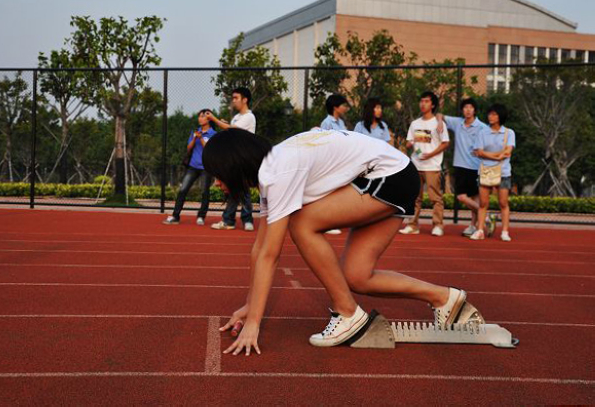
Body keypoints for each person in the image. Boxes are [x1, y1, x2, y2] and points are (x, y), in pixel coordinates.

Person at [203, 128, 471, 356]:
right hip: (396, 176)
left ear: (234, 166)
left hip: (390, 176)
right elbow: (260, 247)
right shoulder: (272, 169)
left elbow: (269, 254)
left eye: (218, 174)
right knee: (356, 276)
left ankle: (347, 313)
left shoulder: (278, 170)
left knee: (301, 223)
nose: (216, 183)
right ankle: (444, 298)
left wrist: (254, 322)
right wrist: (250, 305)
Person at [436, 99, 491, 237]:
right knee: (461, 197)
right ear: (462, 110)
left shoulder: (482, 127)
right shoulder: (457, 123)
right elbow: (439, 115)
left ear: (475, 110)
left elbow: (489, 145)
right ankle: (486, 216)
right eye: (465, 107)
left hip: (476, 167)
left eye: (471, 107)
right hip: (460, 166)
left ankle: (473, 225)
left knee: (474, 198)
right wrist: (440, 122)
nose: (468, 110)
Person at [399, 92, 450, 237]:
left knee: (435, 198)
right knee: (415, 197)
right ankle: (412, 225)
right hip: (416, 165)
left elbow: (445, 143)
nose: (423, 104)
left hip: (432, 166)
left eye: (426, 101)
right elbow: (410, 142)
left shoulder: (438, 124)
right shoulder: (415, 124)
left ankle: (438, 225)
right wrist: (409, 144)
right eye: (421, 101)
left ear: (432, 105)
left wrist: (431, 154)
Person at [205, 87, 256, 231]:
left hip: (245, 158)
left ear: (245, 100)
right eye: (233, 98)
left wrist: (214, 119)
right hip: (235, 158)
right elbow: (232, 131)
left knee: (243, 189)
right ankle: (231, 220)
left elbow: (232, 129)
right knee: (235, 189)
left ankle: (244, 219)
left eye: (236, 98)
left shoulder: (249, 117)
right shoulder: (237, 117)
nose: (233, 101)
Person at [471, 104, 516, 242]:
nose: (491, 117)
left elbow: (508, 152)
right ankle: (480, 230)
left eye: (494, 114)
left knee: (503, 202)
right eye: (490, 114)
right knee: (483, 203)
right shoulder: (482, 132)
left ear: (500, 116)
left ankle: (505, 231)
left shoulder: (509, 133)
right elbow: (478, 152)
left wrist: (488, 154)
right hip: (485, 171)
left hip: (503, 172)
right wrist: (496, 156)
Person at [163, 109, 215, 226]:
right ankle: (175, 216)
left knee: (204, 192)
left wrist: (201, 138)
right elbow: (189, 148)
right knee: (183, 190)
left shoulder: (213, 134)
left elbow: (209, 149)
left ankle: (201, 216)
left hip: (206, 168)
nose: (200, 118)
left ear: (209, 119)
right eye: (199, 116)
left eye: (203, 116)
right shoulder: (195, 131)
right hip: (193, 166)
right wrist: (195, 138)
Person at [319, 93, 350, 235]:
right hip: (330, 162)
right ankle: (326, 223)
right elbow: (323, 143)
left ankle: (333, 221)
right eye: (343, 105)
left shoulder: (341, 123)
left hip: (340, 161)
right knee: (329, 193)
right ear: (335, 107)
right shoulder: (326, 123)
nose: (345, 108)